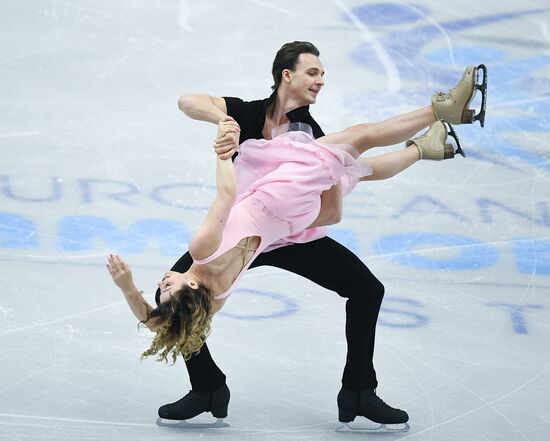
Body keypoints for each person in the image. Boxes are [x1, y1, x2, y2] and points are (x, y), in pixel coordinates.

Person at [114, 41, 486, 428]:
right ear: (285, 76)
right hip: (251, 230)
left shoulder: (310, 133)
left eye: (323, 74)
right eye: (313, 72)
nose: (321, 81)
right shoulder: (248, 113)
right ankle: (208, 387)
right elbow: (188, 101)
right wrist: (222, 121)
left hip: (289, 234)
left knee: (365, 285)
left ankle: (358, 392)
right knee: (174, 302)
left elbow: (328, 205)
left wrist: (310, 212)